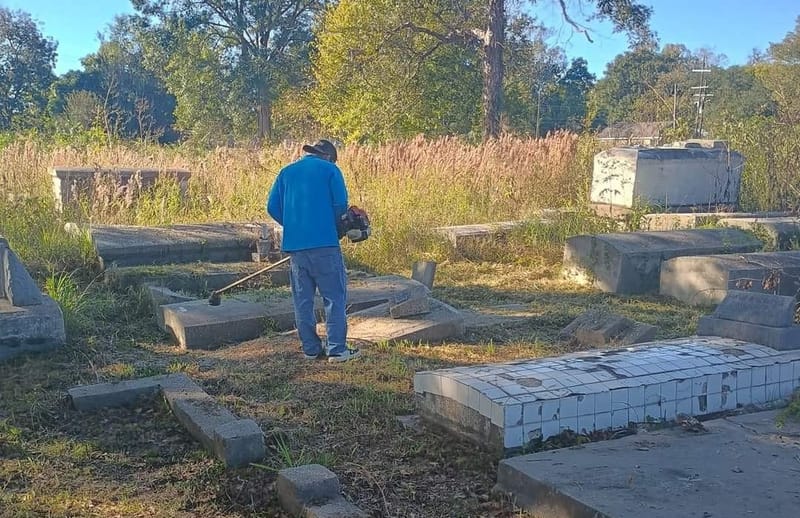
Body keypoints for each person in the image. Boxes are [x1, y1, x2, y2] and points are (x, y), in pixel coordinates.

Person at [266, 139, 361, 363]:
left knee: (303, 300)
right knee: (334, 297)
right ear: (328, 156)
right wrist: (340, 227)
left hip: (296, 248)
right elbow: (340, 205)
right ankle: (337, 349)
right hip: (325, 243)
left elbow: (272, 207)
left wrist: (294, 224)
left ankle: (310, 348)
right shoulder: (330, 170)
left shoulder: (286, 172)